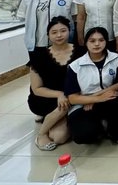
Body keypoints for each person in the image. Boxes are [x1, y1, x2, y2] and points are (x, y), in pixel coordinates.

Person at [65, 27, 118, 145]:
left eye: (101, 40)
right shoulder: (75, 66)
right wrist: (95, 99)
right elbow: (72, 98)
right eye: (92, 41)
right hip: (84, 105)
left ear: (106, 41)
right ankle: (101, 126)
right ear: (86, 43)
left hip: (108, 100)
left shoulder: (116, 59)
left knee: (114, 99)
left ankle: (114, 132)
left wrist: (98, 96)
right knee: (83, 136)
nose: (97, 44)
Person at [28, 17, 83, 151]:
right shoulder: (39, 56)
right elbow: (36, 89)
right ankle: (41, 135)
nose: (59, 35)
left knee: (59, 137)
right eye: (54, 32)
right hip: (46, 98)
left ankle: (54, 120)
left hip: (72, 97)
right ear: (48, 35)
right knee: (65, 102)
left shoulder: (81, 52)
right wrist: (60, 94)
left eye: (63, 31)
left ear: (69, 31)